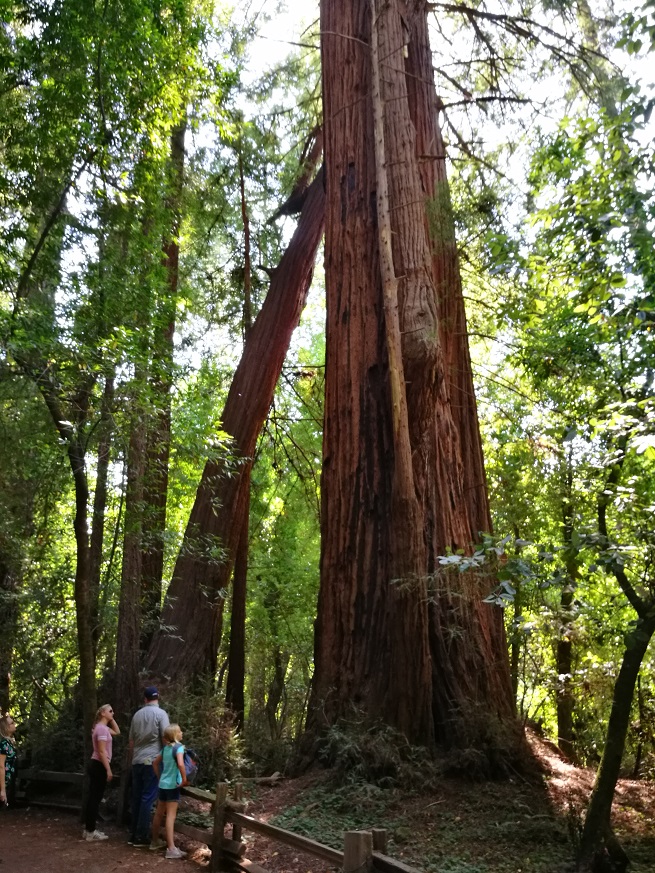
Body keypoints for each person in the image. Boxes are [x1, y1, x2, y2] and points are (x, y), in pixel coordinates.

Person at [128, 685, 169, 847]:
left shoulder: (136, 715)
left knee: (137, 797)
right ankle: (142, 836)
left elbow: (131, 742)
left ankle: (133, 834)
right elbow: (166, 739)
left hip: (137, 761)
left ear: (145, 699)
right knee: (148, 798)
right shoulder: (161, 714)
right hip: (152, 761)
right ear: (157, 697)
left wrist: (132, 759)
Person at [150, 724, 187, 859]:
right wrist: (184, 779)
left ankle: (154, 841)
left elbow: (155, 763)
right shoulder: (179, 748)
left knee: (159, 814)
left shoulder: (165, 749)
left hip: (163, 785)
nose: (182, 733)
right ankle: (171, 848)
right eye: (180, 731)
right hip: (172, 785)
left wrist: (160, 777)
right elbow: (181, 764)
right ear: (175, 734)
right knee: (171, 816)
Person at [83, 703, 120, 841]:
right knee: (95, 798)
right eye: (110, 711)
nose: (113, 713)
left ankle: (88, 829)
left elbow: (117, 732)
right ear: (103, 713)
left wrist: (111, 719)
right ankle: (91, 831)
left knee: (93, 797)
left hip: (96, 764)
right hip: (99, 765)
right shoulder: (102, 730)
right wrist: (108, 769)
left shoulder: (101, 728)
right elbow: (102, 751)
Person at [0, 713, 18, 809]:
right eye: (12, 723)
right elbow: (1, 766)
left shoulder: (8, 743)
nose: (14, 724)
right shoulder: (3, 744)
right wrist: (2, 790)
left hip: (6, 782)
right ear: (6, 727)